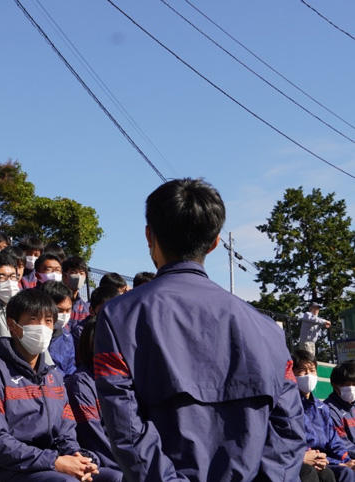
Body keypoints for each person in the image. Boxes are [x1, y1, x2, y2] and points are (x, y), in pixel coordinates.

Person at [95, 178, 307, 480]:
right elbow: (289, 431)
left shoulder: (120, 317)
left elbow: (125, 429)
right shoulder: (268, 330)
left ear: (149, 235)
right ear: (215, 242)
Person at [0, 289, 119, 481]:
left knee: (115, 478)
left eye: (48, 321)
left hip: (44, 464)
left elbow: (66, 432)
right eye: (34, 320)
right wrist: (55, 462)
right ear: (12, 325)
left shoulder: (53, 377)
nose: (42, 328)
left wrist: (76, 457)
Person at [65, 321, 122, 479]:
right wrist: (130, 465)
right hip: (100, 460)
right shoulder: (80, 384)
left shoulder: (123, 379)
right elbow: (94, 438)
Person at [293, 349, 355, 481]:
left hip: (327, 460)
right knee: (329, 473)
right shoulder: (290, 406)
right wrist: (337, 462)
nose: (308, 375)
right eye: (302, 371)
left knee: (347, 470)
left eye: (312, 370)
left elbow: (335, 442)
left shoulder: (321, 408)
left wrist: (347, 461)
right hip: (308, 460)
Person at [41, 281, 76, 377]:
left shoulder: (67, 338)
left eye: (68, 310)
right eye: (59, 310)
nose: (64, 315)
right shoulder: (33, 335)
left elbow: (70, 368)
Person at [71, 284, 119, 349]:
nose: (110, 314)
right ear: (91, 311)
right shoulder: (81, 333)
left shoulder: (120, 329)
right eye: (105, 310)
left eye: (114, 309)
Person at [325, 361, 355, 457]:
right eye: (346, 385)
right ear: (335, 386)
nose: (351, 388)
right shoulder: (329, 410)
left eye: (354, 384)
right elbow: (343, 445)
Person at [62, 256, 90, 328]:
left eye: (81, 273)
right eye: (73, 272)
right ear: (64, 276)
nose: (78, 276)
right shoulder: (55, 303)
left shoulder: (86, 308)